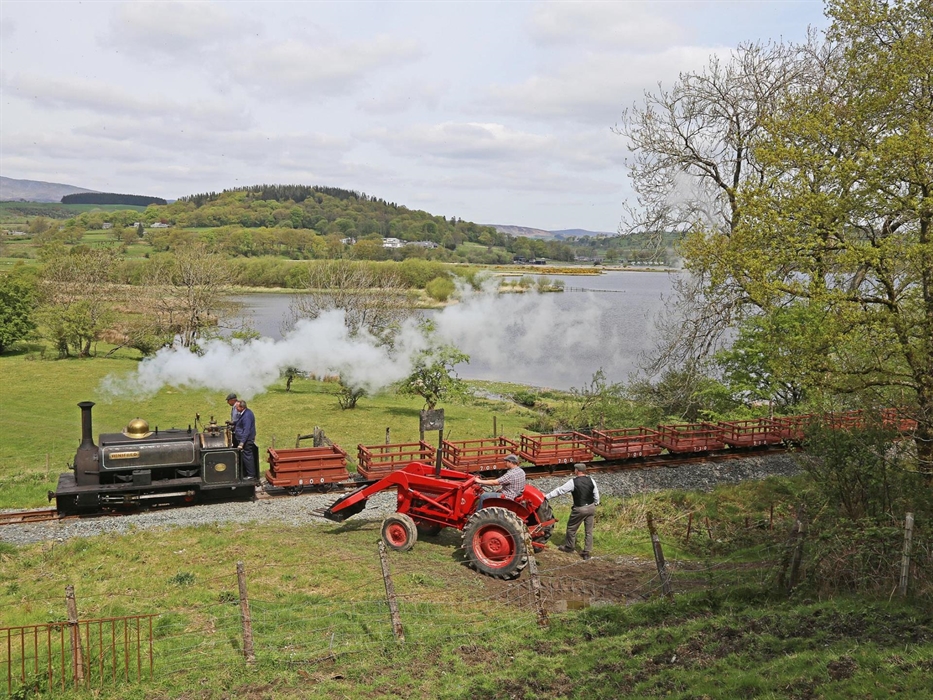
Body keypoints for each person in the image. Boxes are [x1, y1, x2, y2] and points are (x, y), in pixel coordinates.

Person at [545, 463, 600, 560]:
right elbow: (596, 494)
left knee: (571, 528)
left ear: (577, 470)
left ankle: (569, 547)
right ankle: (586, 552)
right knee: (589, 531)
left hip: (579, 508)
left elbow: (560, 491)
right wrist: (595, 503)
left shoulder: (573, 482)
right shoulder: (591, 480)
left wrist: (546, 496)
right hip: (591, 507)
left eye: (574, 469)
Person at [232, 399, 257, 480]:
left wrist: (242, 443)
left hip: (247, 440)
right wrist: (233, 423)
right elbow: (241, 423)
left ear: (242, 407)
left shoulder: (247, 416)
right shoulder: (244, 413)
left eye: (237, 407)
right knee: (245, 456)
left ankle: (251, 475)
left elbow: (246, 430)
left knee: (247, 456)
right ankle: (246, 473)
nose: (236, 409)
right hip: (244, 439)